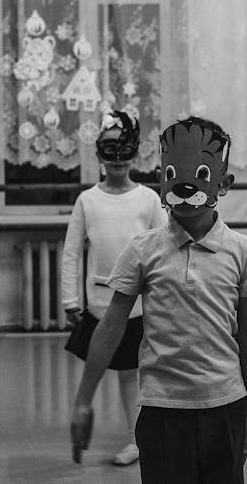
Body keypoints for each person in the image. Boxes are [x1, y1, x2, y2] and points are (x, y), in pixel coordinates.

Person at [69, 116, 247, 483]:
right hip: (162, 412)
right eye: (173, 174)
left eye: (201, 176)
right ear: (161, 183)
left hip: (225, 407)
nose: (186, 187)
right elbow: (110, 328)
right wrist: (83, 400)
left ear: (223, 184)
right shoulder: (142, 251)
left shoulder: (243, 252)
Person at [60, 109, 166, 467]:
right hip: (98, 306)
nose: (117, 157)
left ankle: (135, 439)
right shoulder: (87, 201)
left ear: (135, 151)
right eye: (109, 149)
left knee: (130, 375)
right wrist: (70, 299)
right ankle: (84, 413)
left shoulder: (149, 200)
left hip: (138, 307)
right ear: (98, 153)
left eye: (124, 149)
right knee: (99, 367)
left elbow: (163, 249)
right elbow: (72, 253)